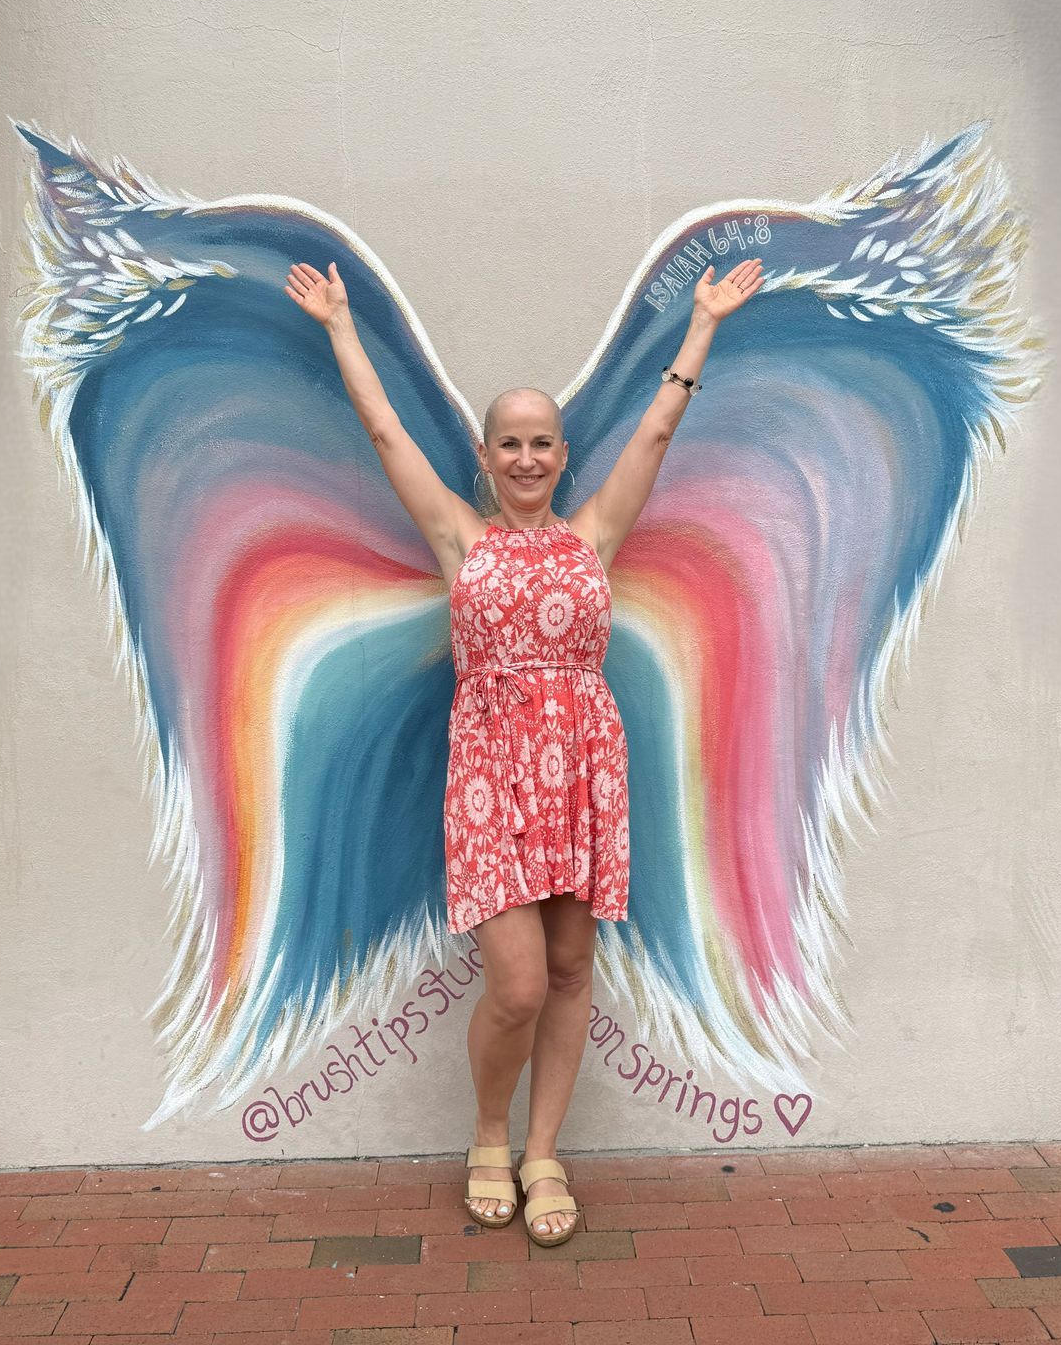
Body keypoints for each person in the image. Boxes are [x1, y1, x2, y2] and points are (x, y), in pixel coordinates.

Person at [284, 252, 763, 1244]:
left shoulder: (593, 538)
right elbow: (383, 432)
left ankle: (545, 1153)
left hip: (584, 766)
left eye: (543, 442)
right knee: (517, 983)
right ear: (488, 457)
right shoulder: (462, 539)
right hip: (492, 781)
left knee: (573, 971)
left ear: (561, 453)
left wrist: (703, 325)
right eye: (511, 443)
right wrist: (338, 325)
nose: (529, 457)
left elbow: (659, 431)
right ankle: (488, 1134)